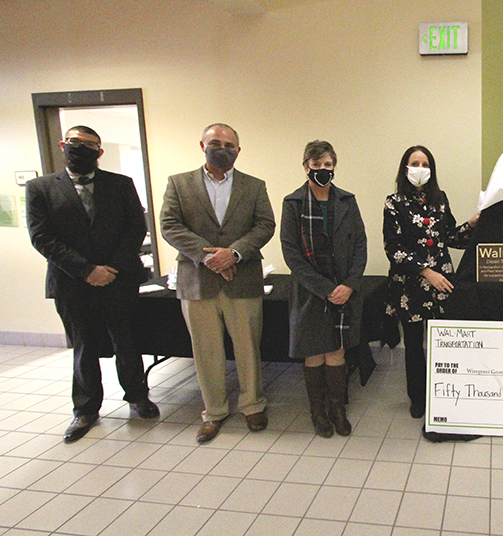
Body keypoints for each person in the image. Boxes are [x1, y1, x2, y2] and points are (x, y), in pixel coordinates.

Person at [26, 125, 159, 443]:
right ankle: (85, 409)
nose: (81, 148)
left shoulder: (120, 184)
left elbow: (134, 229)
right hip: (71, 281)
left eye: (89, 145)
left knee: (127, 341)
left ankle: (138, 397)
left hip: (118, 277)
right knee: (83, 345)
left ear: (99, 152)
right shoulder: (41, 188)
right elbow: (41, 237)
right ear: (63, 145)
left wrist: (109, 267)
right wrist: (86, 270)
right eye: (75, 143)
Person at [160, 123, 275, 444]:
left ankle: (252, 405)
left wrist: (234, 253)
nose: (221, 148)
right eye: (215, 142)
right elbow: (169, 225)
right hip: (198, 281)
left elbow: (265, 225)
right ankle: (214, 412)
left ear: (238, 150)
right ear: (202, 145)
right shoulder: (179, 184)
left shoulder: (254, 186)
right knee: (206, 350)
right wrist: (208, 256)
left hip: (243, 278)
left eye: (228, 144)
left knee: (248, 347)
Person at [383, 146, 478, 418]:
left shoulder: (440, 199)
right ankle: (418, 398)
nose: (420, 167)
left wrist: (472, 224)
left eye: (425, 163)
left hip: (442, 285)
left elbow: (451, 237)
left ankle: (443, 392)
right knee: (413, 344)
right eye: (415, 163)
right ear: (405, 168)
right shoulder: (393, 203)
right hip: (410, 285)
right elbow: (394, 248)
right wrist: (426, 271)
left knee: (443, 343)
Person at [281, 141, 367, 438]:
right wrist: (326, 289)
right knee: (314, 353)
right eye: (316, 166)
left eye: (327, 165)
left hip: (344, 289)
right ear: (306, 167)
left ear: (334, 166)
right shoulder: (292, 203)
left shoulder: (347, 201)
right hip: (310, 292)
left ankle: (337, 408)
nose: (321, 171)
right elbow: (291, 253)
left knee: (337, 352)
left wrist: (350, 284)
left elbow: (360, 245)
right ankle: (317, 411)